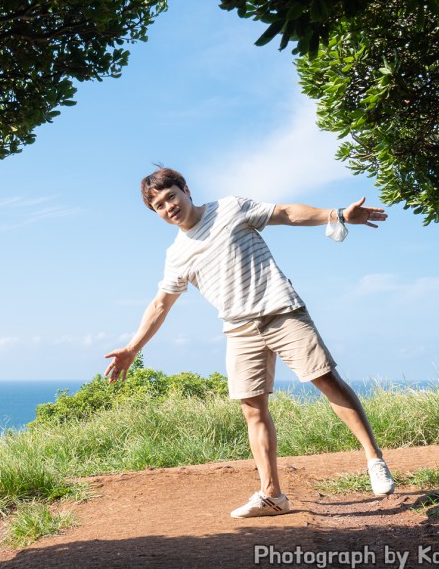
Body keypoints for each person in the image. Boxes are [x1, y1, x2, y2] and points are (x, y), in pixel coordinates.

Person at [104, 167, 395, 519]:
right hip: (239, 330)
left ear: (185, 190)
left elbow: (285, 213)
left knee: (325, 379)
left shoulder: (230, 208)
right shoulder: (177, 255)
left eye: (171, 197)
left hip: (280, 310)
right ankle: (273, 495)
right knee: (253, 410)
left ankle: (374, 459)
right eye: (159, 206)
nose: (169, 207)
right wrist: (132, 348)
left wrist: (336, 215)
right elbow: (160, 304)